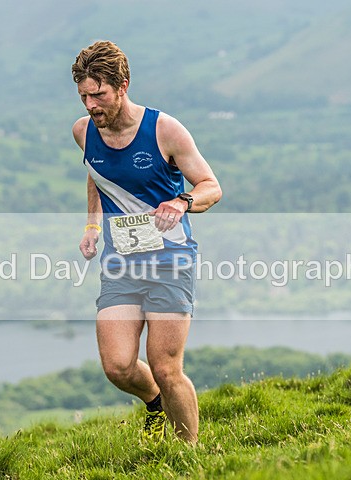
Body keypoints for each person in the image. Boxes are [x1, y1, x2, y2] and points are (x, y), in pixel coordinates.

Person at [71, 41, 222, 444]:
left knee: (166, 367)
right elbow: (96, 173)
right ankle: (155, 403)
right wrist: (92, 227)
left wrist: (181, 201)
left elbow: (211, 187)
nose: (90, 105)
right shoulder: (84, 131)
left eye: (98, 94)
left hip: (171, 259)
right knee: (118, 366)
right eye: (83, 95)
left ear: (122, 85)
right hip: (121, 262)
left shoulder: (164, 130)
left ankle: (188, 454)